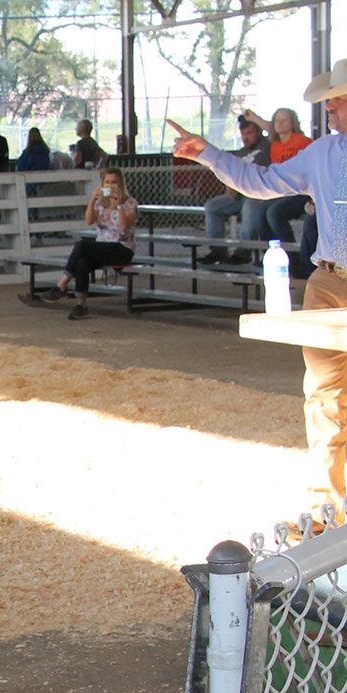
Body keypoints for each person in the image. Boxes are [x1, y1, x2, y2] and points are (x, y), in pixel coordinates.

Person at [169, 58, 347, 518]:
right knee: (324, 396)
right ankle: (330, 508)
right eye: (331, 100)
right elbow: (260, 182)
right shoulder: (323, 153)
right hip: (328, 279)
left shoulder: (323, 153)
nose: (332, 107)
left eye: (340, 99)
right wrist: (208, 153)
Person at [34, 166, 137, 321]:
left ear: (121, 184)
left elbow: (123, 228)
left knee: (81, 246)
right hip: (102, 246)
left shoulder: (129, 203)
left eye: (114, 182)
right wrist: (93, 200)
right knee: (82, 262)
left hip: (122, 248)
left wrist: (118, 206)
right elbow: (89, 220)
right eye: (107, 182)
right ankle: (81, 305)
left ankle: (61, 286)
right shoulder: (101, 203)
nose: (110, 186)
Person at [198, 114, 271, 264]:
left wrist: (255, 118)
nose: (245, 137)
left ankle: (243, 251)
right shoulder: (241, 153)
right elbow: (231, 172)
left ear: (258, 132)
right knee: (212, 206)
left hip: (259, 193)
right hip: (240, 194)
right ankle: (217, 251)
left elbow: (272, 130)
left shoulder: (266, 145)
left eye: (249, 133)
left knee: (250, 205)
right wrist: (229, 186)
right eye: (243, 134)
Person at [243, 106, 314, 238]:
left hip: (301, 192)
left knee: (274, 213)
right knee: (260, 211)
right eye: (277, 120)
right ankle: (270, 252)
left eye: (284, 120)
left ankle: (291, 256)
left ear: (292, 123)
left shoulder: (302, 141)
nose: (280, 123)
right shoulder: (275, 145)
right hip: (283, 191)